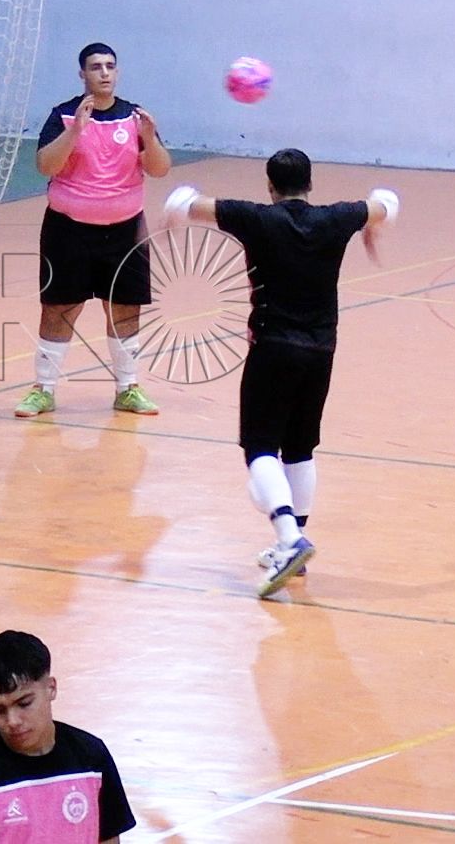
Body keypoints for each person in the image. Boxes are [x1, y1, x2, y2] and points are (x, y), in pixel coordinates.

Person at [164, 149, 398, 597]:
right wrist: (373, 223)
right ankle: (292, 545)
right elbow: (387, 202)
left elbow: (186, 201)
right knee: (300, 449)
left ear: (270, 187)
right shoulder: (338, 218)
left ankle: (290, 539)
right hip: (321, 350)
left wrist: (174, 213)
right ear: (310, 184)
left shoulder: (256, 218)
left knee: (259, 448)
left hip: (272, 349)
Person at [17, 43, 171, 421]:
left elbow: (160, 168)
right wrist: (75, 132)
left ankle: (128, 388)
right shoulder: (64, 115)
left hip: (125, 231)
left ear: (117, 72)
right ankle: (43, 390)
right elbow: (45, 166)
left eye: (110, 66)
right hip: (68, 231)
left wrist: (150, 138)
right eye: (96, 67)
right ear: (82, 74)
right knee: (59, 307)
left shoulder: (134, 117)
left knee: (125, 308)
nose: (104, 73)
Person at [0, 630, 135, 843]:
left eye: (24, 703)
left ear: (51, 688)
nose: (12, 721)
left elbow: (108, 838)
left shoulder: (92, 758)